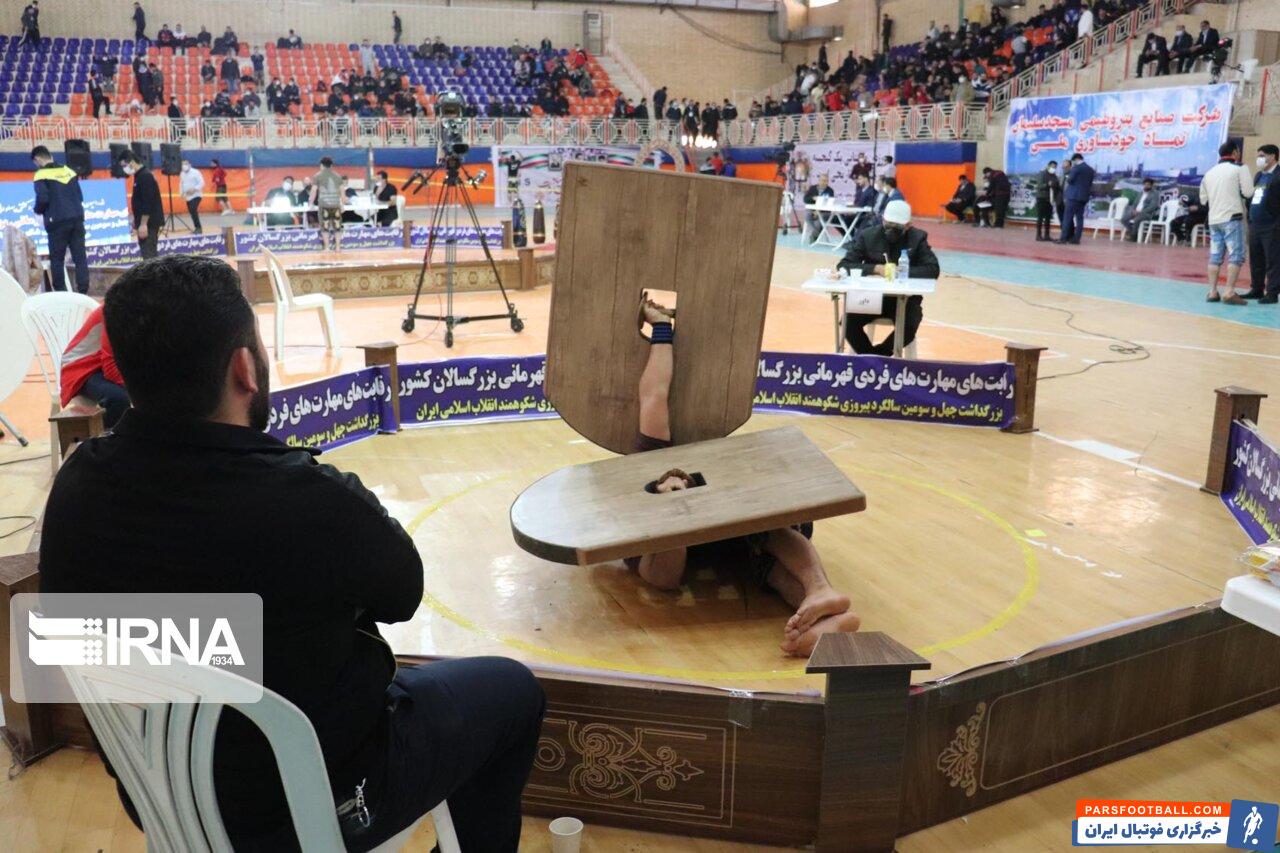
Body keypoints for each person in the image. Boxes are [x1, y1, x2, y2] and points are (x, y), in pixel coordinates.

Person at [40, 254, 545, 851]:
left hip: (161, 795)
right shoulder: (303, 499)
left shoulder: (75, 485)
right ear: (244, 367)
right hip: (309, 809)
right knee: (513, 692)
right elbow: (403, 591)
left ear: (125, 371)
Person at [628, 294, 860, 655]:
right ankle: (824, 626)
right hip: (704, 545)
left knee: (769, 533)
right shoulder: (645, 480)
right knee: (767, 572)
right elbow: (664, 579)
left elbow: (655, 394)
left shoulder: (661, 451)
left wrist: (661, 326)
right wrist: (674, 508)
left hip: (743, 531)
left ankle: (820, 591)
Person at [838, 199, 940, 355]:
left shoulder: (917, 238)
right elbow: (844, 265)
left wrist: (901, 272)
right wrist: (874, 269)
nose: (891, 230)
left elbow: (932, 270)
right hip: (872, 297)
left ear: (908, 225)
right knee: (848, 322)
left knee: (910, 324)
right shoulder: (868, 236)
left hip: (904, 300)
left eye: (897, 227)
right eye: (888, 225)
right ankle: (870, 358)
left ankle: (879, 356)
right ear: (883, 220)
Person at [1200, 141, 1254, 304]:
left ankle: (1212, 292)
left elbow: (1203, 200)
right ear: (1235, 152)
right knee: (1236, 256)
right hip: (1232, 218)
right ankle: (1229, 291)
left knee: (1215, 257)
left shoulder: (1209, 173)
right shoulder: (1240, 168)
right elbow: (1248, 192)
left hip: (1214, 220)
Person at [31, 146, 90, 294]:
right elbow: (80, 196)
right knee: (80, 257)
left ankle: (61, 292)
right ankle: (83, 290)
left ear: (37, 159)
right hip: (77, 219)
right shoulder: (69, 171)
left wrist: (37, 211)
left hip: (57, 222)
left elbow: (43, 199)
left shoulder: (41, 174)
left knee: (57, 259)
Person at [59, 306, 129, 427]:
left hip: (107, 365)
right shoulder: (116, 309)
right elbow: (110, 367)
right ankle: (107, 437)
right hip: (80, 369)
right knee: (119, 398)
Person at [122, 151, 163, 259]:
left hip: (149, 223)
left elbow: (147, 202)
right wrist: (136, 220)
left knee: (149, 255)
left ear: (131, 162)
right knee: (147, 254)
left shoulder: (145, 176)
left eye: (124, 165)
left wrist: (143, 224)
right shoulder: (139, 176)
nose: (124, 169)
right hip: (143, 222)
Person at [1254, 145, 1280, 304]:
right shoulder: (1259, 175)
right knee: (1256, 258)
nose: (1259, 159)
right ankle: (1256, 289)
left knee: (1273, 260)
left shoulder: (1278, 175)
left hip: (1272, 225)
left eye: (1262, 156)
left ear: (1272, 156)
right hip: (1255, 224)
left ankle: (1272, 292)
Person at [1058, 153, 1095, 245]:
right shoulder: (1090, 169)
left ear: (1075, 160)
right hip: (1083, 197)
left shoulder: (1076, 168)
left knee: (1067, 217)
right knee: (1080, 218)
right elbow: (1089, 183)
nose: (1073, 163)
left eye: (1073, 161)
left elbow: (1070, 180)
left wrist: (1067, 177)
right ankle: (1076, 239)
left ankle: (1063, 238)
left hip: (1073, 196)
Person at [312, 156, 345, 251]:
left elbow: (314, 190)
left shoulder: (317, 176)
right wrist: (343, 205)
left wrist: (310, 203)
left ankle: (327, 247)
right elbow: (342, 191)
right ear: (331, 166)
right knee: (337, 226)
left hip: (324, 205)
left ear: (321, 165)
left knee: (325, 226)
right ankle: (338, 247)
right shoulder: (338, 176)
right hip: (336, 204)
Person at [803, 173, 835, 243]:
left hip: (824, 212)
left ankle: (814, 235)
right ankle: (816, 233)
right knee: (807, 215)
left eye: (826, 181)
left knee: (819, 221)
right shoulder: (812, 188)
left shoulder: (830, 191)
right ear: (819, 181)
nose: (825, 183)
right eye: (823, 180)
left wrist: (818, 212)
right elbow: (805, 199)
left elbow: (830, 204)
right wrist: (813, 198)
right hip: (812, 210)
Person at [1033, 161, 1060, 240]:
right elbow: (1039, 186)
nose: (1053, 168)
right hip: (1041, 198)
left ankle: (1047, 235)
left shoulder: (1054, 175)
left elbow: (1057, 184)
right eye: (1052, 166)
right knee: (1040, 217)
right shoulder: (1042, 174)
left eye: (1055, 167)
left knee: (1048, 218)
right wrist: (1048, 184)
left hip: (1050, 199)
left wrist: (1055, 184)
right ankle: (1038, 235)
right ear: (1048, 166)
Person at [179, 159, 205, 235]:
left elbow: (202, 183)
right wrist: (181, 193)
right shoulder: (182, 173)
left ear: (189, 165)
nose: (184, 166)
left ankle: (199, 228)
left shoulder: (196, 172)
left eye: (185, 164)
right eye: (182, 164)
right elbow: (181, 183)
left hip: (196, 195)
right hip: (188, 197)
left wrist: (194, 189)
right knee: (191, 212)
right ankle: (196, 227)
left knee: (193, 209)